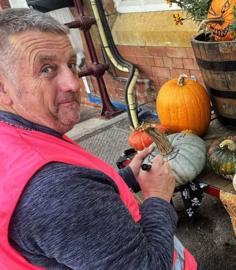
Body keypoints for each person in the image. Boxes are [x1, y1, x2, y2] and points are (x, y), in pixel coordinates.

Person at [0, 8, 197, 269]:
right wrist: (158, 198)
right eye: (47, 69)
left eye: (71, 64)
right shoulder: (57, 190)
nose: (73, 82)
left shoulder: (15, 136)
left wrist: (127, 178)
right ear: (3, 88)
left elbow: (84, 209)